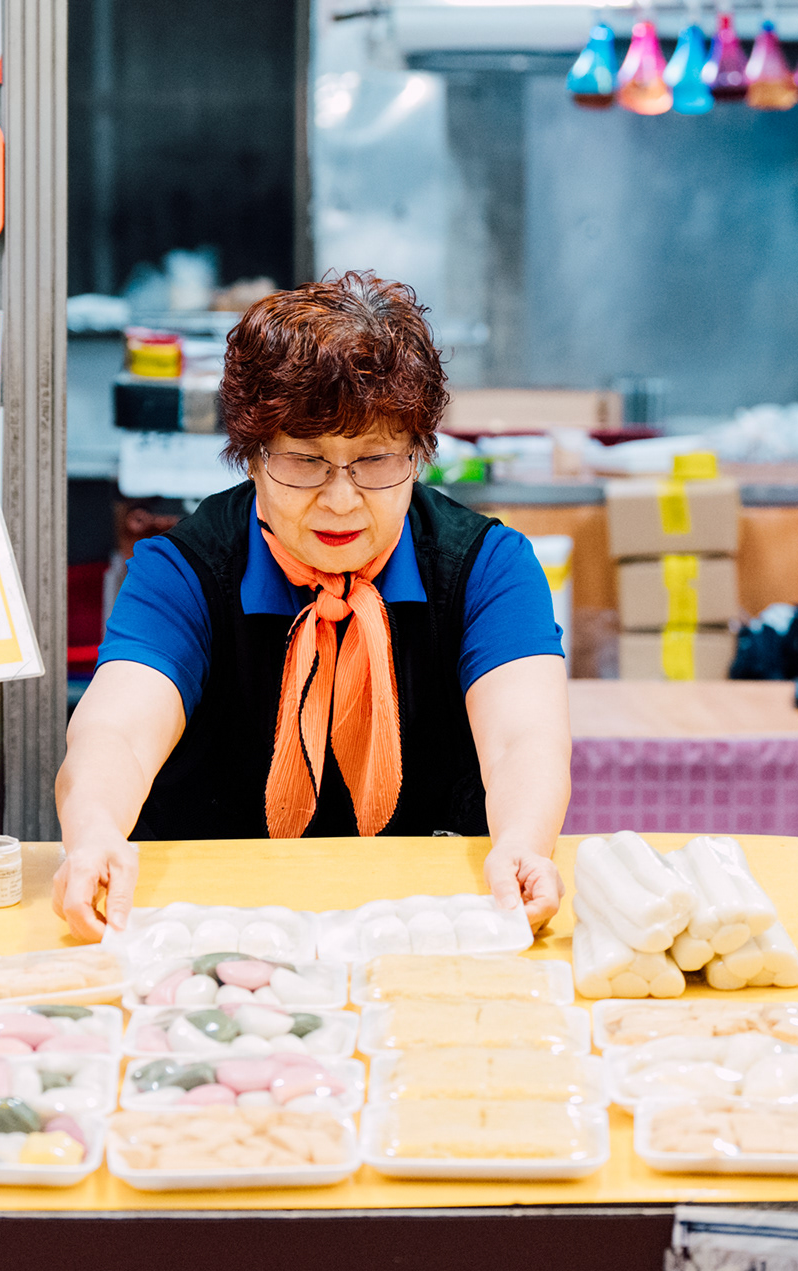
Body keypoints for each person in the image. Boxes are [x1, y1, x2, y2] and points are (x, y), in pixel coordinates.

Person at [52, 271, 571, 941]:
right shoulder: (183, 570)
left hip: (434, 924)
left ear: (418, 456)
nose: (341, 499)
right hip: (208, 927)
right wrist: (94, 831)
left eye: (375, 459)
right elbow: (115, 733)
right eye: (304, 461)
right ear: (251, 458)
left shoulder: (488, 568)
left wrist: (524, 843)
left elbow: (523, 740)